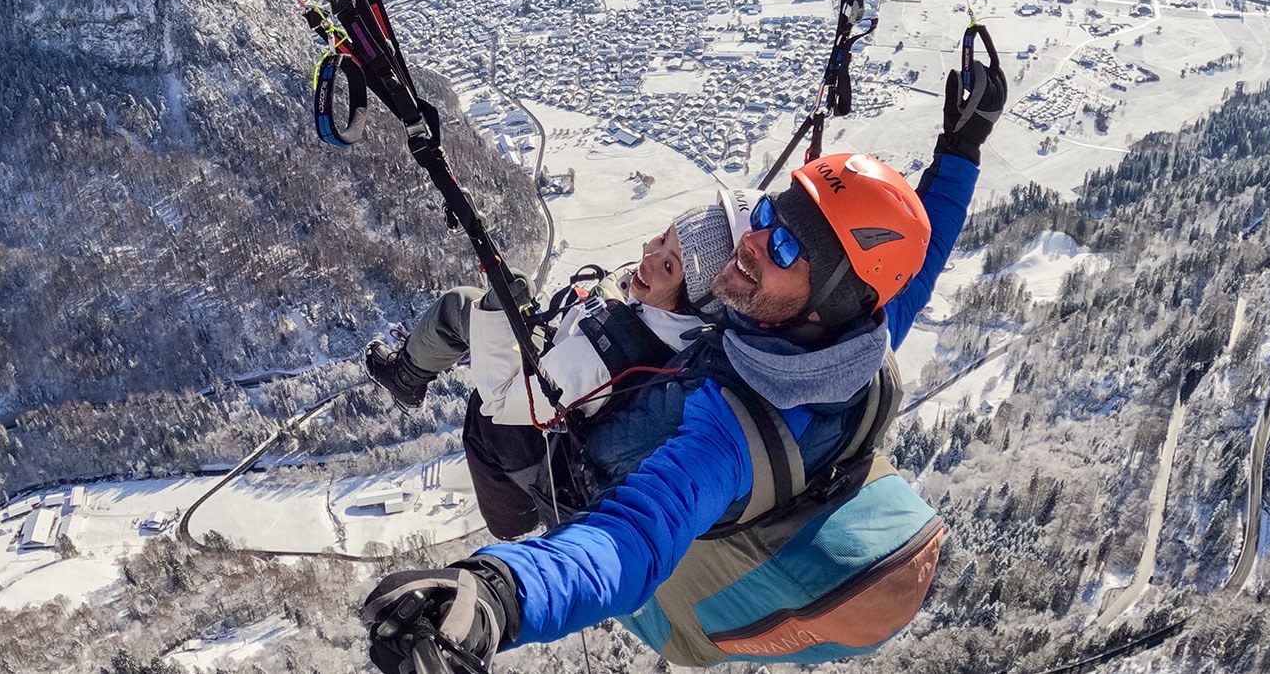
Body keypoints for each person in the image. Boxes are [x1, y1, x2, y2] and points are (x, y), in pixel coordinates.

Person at [361, 49, 1005, 673]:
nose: (749, 243)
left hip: (572, 491)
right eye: (765, 215)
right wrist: (964, 148)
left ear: (830, 301)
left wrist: (499, 595)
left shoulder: (730, 431)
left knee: (485, 413)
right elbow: (919, 266)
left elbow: (632, 540)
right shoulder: (859, 336)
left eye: (784, 247)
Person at [364, 203, 732, 537]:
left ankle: (512, 524)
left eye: (669, 266)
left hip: (551, 449)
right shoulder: (678, 326)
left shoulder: (609, 356)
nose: (649, 256)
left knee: (465, 330)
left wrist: (494, 314)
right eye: (663, 237)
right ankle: (514, 519)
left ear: (690, 300)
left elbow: (503, 400)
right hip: (566, 376)